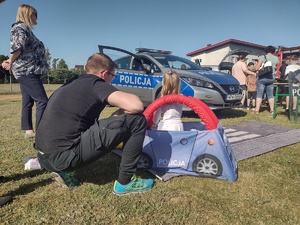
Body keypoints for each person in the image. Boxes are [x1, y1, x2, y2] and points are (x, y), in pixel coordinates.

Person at [34, 53, 153, 195]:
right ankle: (125, 182)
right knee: (137, 120)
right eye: (113, 76)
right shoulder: (96, 84)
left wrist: (117, 117)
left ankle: (63, 171)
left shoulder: (74, 82)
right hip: (63, 158)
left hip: (44, 157)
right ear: (104, 73)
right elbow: (136, 106)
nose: (112, 80)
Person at [1, 4, 48, 139]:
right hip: (26, 71)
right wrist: (10, 61)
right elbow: (18, 47)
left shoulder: (24, 29)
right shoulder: (20, 28)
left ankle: (28, 131)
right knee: (42, 101)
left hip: (28, 69)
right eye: (35, 15)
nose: (36, 19)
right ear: (27, 14)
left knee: (27, 101)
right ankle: (41, 133)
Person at [253, 45, 279, 114]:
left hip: (262, 77)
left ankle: (257, 110)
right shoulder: (276, 58)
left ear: (266, 51)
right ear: (273, 51)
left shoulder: (262, 57)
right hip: (271, 77)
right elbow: (276, 69)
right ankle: (272, 110)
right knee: (270, 94)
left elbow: (257, 68)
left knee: (259, 94)